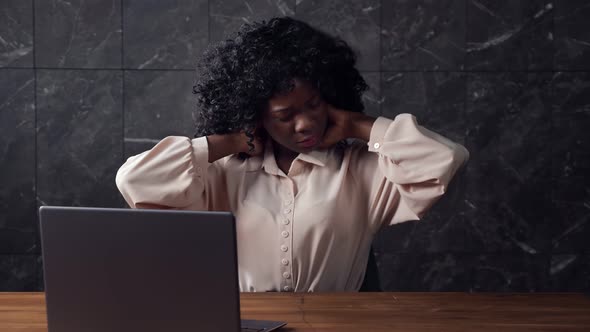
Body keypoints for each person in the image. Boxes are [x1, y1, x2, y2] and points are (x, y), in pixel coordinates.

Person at [116, 17, 470, 292]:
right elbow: (135, 182)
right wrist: (228, 142)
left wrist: (358, 125)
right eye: (285, 115)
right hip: (243, 321)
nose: (305, 123)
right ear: (255, 115)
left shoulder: (362, 168)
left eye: (314, 104)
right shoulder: (220, 173)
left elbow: (443, 158)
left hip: (339, 322)